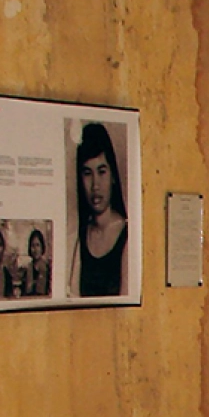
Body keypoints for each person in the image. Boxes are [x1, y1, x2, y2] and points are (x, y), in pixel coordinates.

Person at [71, 122, 128, 297]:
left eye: (102, 172)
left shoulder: (127, 235)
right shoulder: (82, 236)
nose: (95, 185)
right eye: (87, 173)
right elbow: (72, 295)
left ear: (112, 176)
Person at [23, 227, 52, 297]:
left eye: (37, 245)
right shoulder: (27, 269)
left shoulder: (48, 268)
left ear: (42, 247)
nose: (35, 249)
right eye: (33, 246)